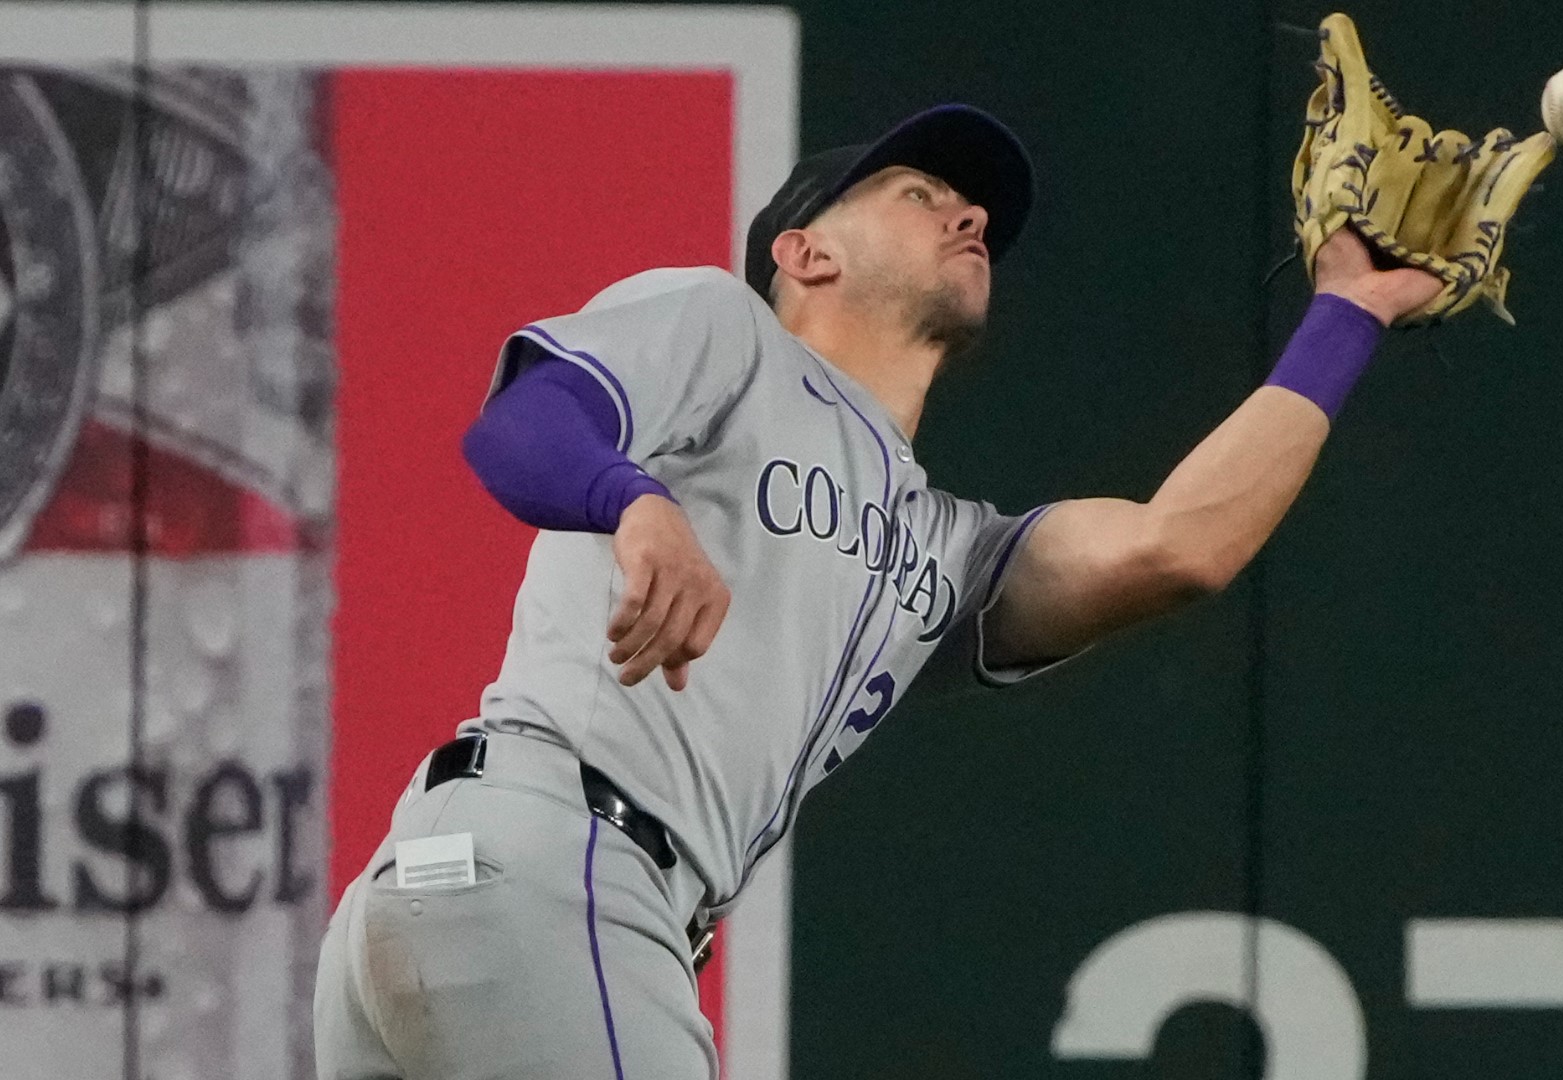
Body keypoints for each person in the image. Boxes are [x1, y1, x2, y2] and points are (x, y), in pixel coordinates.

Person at [312, 103, 1442, 1080]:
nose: (969, 217)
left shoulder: (941, 551)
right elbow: (521, 423)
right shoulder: (730, 336)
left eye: (972, 209)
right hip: (555, 867)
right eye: (920, 193)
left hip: (484, 895)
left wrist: (1348, 311)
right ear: (805, 254)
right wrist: (633, 501)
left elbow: (1174, 547)